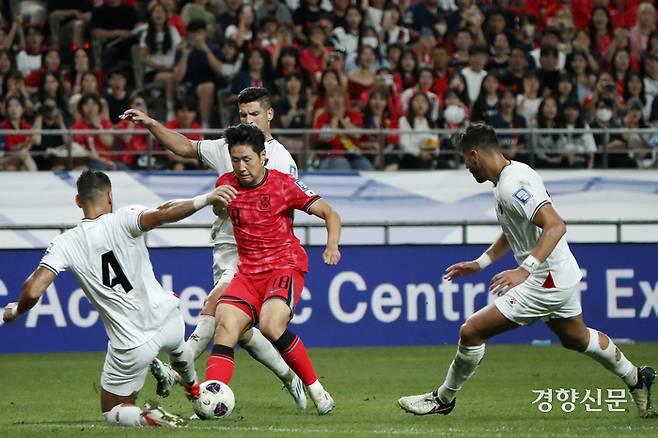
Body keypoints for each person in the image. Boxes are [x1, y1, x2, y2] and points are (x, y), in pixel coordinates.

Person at [397, 123, 657, 419]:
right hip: (561, 273)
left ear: (474, 155)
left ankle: (443, 398)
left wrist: (525, 270)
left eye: (465, 161)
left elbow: (555, 225)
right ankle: (637, 377)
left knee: (471, 331)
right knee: (576, 338)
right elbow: (514, 230)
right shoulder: (509, 178)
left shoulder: (512, 185)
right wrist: (480, 263)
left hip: (545, 280)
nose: (467, 169)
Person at [120, 86, 307, 410]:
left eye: (254, 114)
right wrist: (151, 123)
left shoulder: (280, 159)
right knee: (237, 330)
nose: (249, 119)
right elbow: (186, 147)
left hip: (258, 251)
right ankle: (290, 377)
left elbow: (286, 206)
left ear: (269, 115)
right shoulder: (226, 147)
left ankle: (177, 372)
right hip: (224, 247)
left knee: (214, 305)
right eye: (243, 115)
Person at [2, 170, 235, 426]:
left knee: (111, 408)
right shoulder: (125, 218)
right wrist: (205, 199)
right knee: (179, 349)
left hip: (132, 342)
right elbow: (163, 213)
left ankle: (149, 417)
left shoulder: (65, 244)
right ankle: (193, 389)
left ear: (78, 201)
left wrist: (15, 312)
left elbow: (33, 290)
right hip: (168, 317)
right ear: (111, 196)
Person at [207, 123, 341, 415]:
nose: (241, 167)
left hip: (284, 265)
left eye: (247, 159)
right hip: (248, 272)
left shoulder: (283, 184)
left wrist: (332, 246)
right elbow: (220, 211)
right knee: (225, 325)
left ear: (263, 156)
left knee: (270, 324)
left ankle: (317, 389)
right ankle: (210, 400)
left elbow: (330, 213)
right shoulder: (225, 185)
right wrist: (217, 206)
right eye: (235, 159)